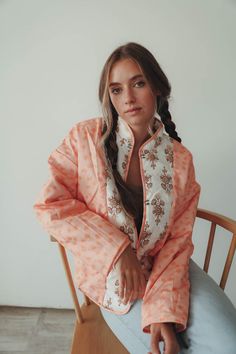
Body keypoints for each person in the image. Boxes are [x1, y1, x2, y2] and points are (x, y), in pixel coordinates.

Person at [33, 42, 236, 354]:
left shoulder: (180, 161)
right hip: (115, 279)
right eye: (116, 90)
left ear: (156, 86)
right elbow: (50, 205)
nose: (127, 98)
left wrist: (163, 312)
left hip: (169, 266)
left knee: (228, 343)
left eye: (138, 83)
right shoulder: (84, 139)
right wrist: (119, 249)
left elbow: (176, 243)